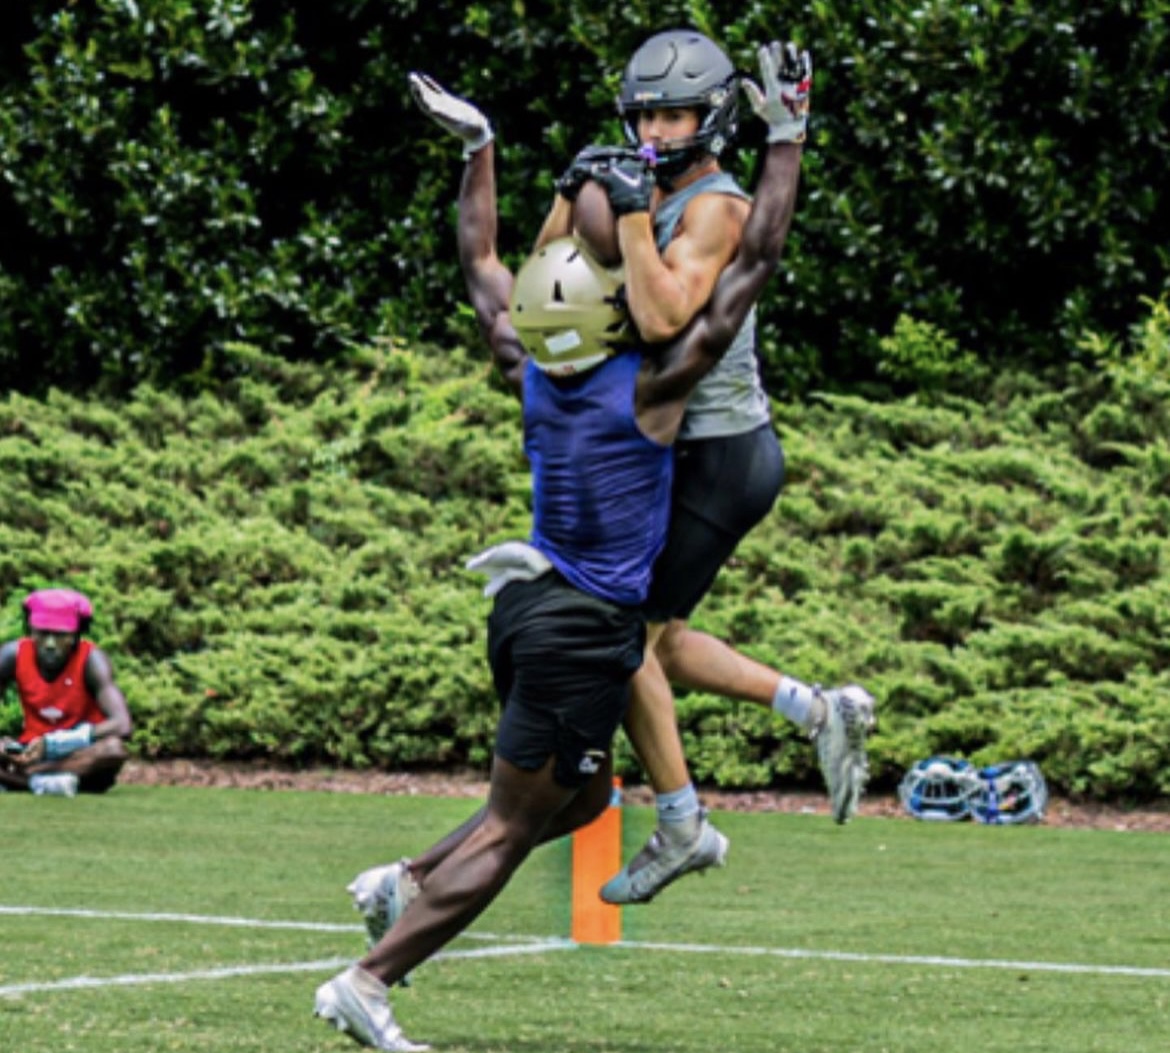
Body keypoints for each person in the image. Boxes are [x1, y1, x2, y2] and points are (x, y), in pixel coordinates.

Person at [313, 39, 810, 1052]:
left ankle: (398, 881)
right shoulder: (653, 392)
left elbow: (482, 264)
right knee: (509, 826)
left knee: (582, 795)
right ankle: (369, 980)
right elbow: (751, 264)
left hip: (525, 607)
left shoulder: (526, 369)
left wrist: (481, 151)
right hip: (581, 629)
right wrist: (786, 141)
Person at [533, 28, 874, 905]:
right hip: (667, 452)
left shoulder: (716, 205)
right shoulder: (641, 177)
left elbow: (660, 316)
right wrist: (572, 191)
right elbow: (543, 281)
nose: (652, 131)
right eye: (642, 114)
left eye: (672, 112)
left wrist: (635, 209)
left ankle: (683, 820)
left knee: (623, 638)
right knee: (661, 642)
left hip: (721, 455)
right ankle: (816, 708)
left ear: (713, 117)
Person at [0, 588, 133, 796]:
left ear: (75, 636)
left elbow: (122, 725)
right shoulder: (11, 655)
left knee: (114, 749)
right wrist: (5, 746)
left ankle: (28, 780)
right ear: (31, 631)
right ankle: (43, 781)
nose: (50, 644)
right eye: (43, 634)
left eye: (60, 635)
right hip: (30, 752)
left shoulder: (92, 660)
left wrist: (54, 744)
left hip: (78, 755)